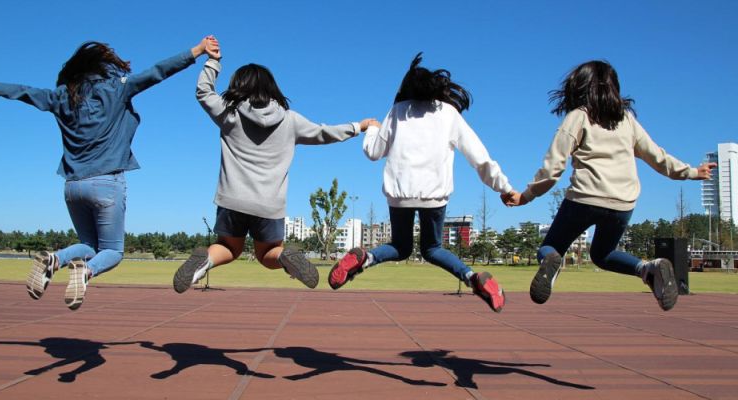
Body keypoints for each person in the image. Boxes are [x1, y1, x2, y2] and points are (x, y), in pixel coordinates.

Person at [0, 38, 212, 310]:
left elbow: (22, 92)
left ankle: (55, 259)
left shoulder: (62, 96)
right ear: (104, 68)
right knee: (113, 251)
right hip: (106, 183)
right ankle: (85, 273)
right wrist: (196, 51)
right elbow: (158, 71)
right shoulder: (116, 89)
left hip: (72, 186)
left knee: (89, 245)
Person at [502, 60, 715, 311]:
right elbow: (658, 157)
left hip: (584, 198)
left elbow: (553, 169)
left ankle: (551, 261)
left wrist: (526, 196)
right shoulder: (626, 121)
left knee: (551, 247)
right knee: (602, 255)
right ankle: (649, 268)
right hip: (622, 204)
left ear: (579, 87)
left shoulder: (578, 117)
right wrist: (691, 172)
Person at [172, 36, 376, 293]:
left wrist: (212, 62)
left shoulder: (230, 113)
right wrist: (359, 126)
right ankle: (284, 258)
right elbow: (325, 133)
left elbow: (203, 92)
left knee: (228, 248)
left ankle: (205, 261)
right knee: (268, 253)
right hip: (269, 205)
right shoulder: (290, 120)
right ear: (271, 88)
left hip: (232, 200)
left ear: (239, 86)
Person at [328, 53, 513, 313]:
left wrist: (371, 127)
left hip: (399, 194)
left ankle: (364, 258)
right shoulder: (448, 114)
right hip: (434, 196)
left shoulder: (397, 112)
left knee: (400, 246)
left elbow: (373, 152)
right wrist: (504, 188)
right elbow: (478, 156)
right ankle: (473, 278)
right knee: (432, 248)